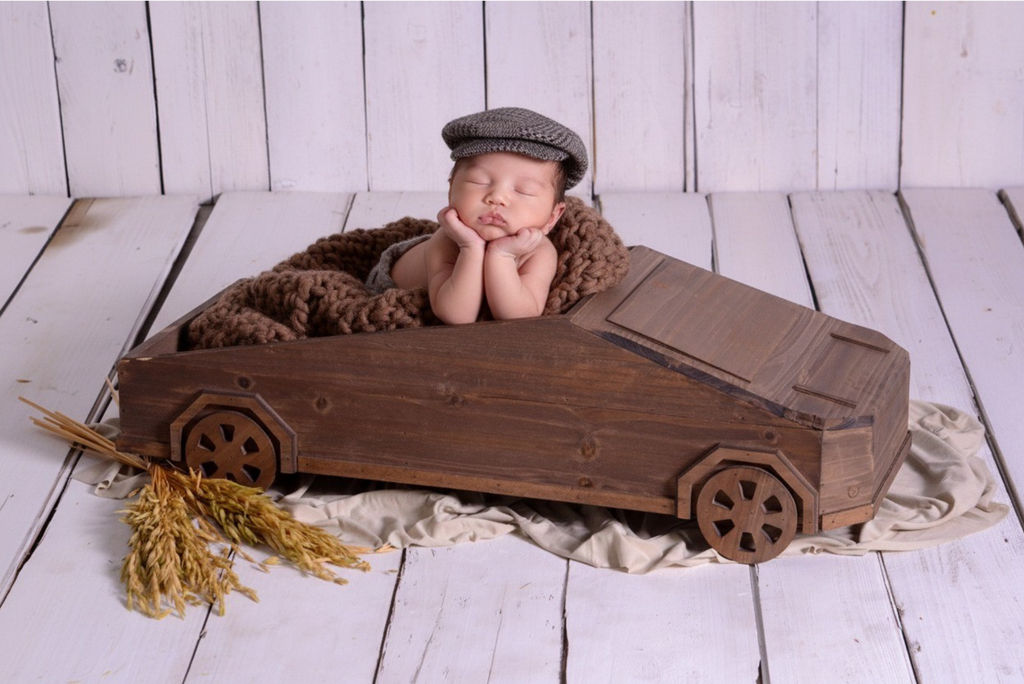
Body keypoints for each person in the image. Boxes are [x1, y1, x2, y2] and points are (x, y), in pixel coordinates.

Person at [365, 107, 588, 324]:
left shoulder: (538, 252)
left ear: (553, 216)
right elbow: (457, 316)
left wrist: (502, 255)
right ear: (451, 190)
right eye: (478, 182)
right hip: (390, 284)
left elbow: (520, 317)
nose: (497, 197)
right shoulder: (445, 243)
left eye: (523, 191)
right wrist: (470, 248)